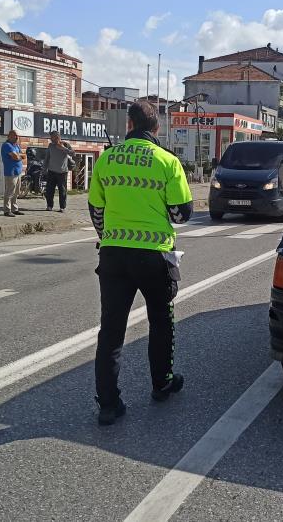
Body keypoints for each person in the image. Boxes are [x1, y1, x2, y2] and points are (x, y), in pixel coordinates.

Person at [88, 100, 193, 425]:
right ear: (156, 128)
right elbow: (182, 213)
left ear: (129, 125)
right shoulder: (167, 161)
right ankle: (162, 383)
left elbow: (96, 211)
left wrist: (110, 235)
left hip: (114, 255)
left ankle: (108, 404)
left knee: (112, 330)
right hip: (154, 257)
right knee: (161, 321)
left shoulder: (106, 159)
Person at [43, 130, 75, 212]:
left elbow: (73, 154)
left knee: (62, 190)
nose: (51, 139)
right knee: (49, 190)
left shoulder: (66, 144)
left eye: (53, 137)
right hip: (51, 171)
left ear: (58, 137)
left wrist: (63, 148)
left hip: (62, 172)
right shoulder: (50, 145)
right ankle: (49, 206)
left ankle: (62, 207)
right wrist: (44, 169)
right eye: (51, 138)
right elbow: (47, 158)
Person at [0, 131, 24, 217]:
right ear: (9, 136)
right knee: (10, 192)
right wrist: (18, 156)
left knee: (16, 192)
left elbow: (23, 155)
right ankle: (7, 210)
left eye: (17, 136)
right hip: (11, 172)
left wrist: (19, 156)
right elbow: (16, 157)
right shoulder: (7, 145)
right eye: (15, 136)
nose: (17, 137)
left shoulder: (16, 145)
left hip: (18, 172)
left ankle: (15, 209)